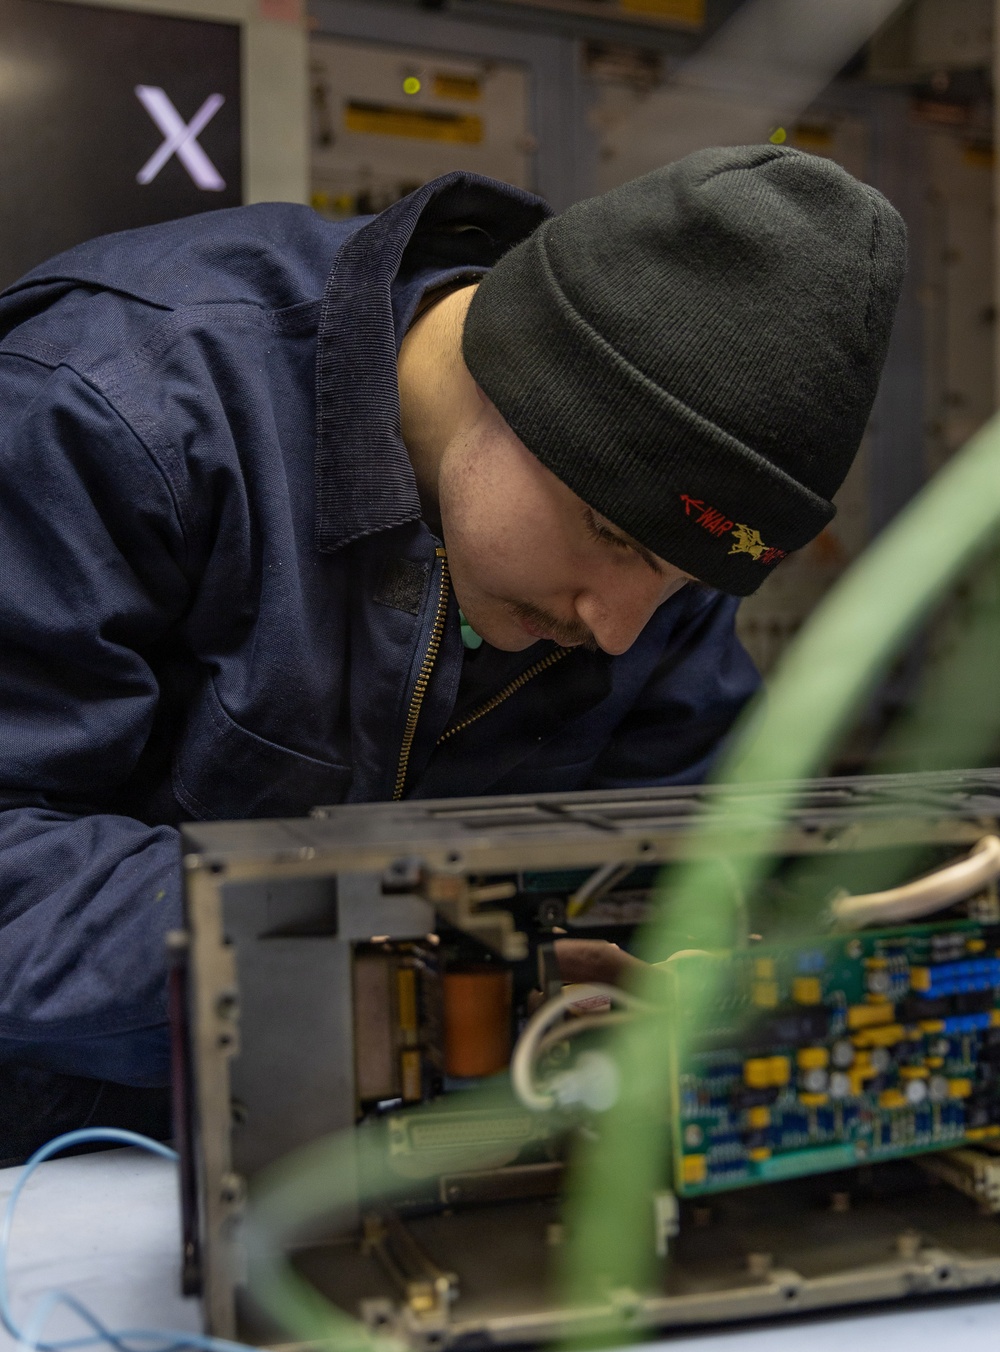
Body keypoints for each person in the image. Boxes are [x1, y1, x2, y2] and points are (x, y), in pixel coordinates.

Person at [0, 143, 905, 1160]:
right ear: (512, 379)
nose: (616, 627)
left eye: (681, 581)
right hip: (63, 1172)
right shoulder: (118, 405)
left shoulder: (646, 585)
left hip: (424, 1186)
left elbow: (696, 862)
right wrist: (381, 971)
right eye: (612, 538)